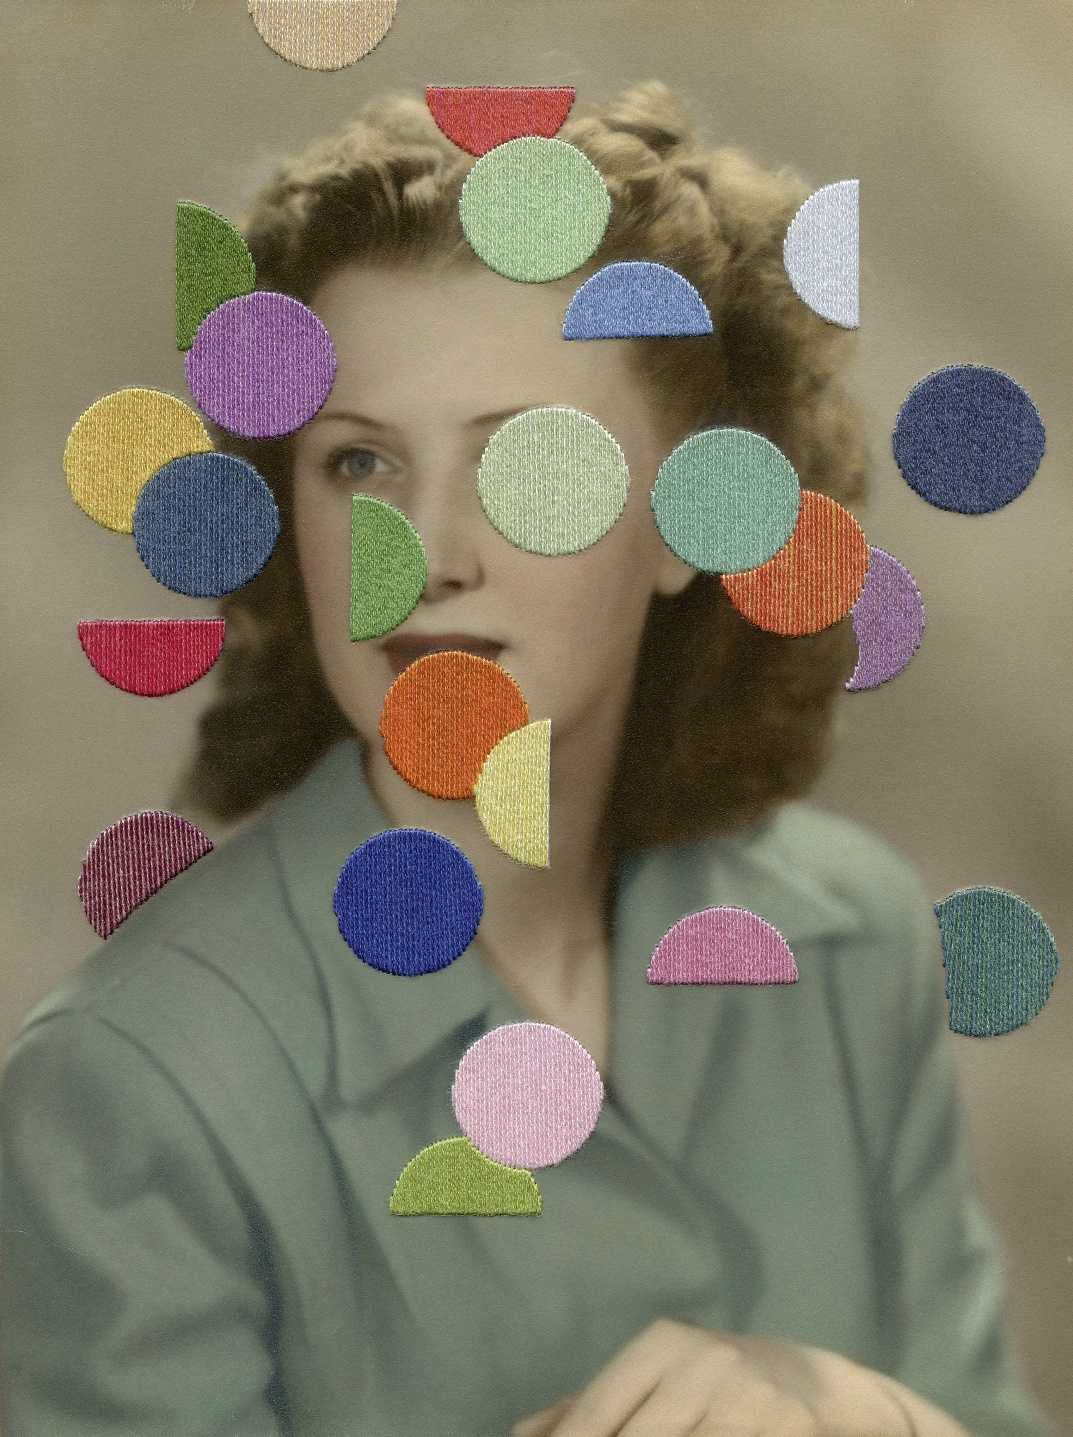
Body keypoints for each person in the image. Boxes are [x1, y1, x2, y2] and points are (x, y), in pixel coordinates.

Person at [0, 81, 1052, 1437]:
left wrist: (862, 1415)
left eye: (531, 466)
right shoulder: (135, 1076)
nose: (427, 555)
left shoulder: (852, 941)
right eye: (359, 464)